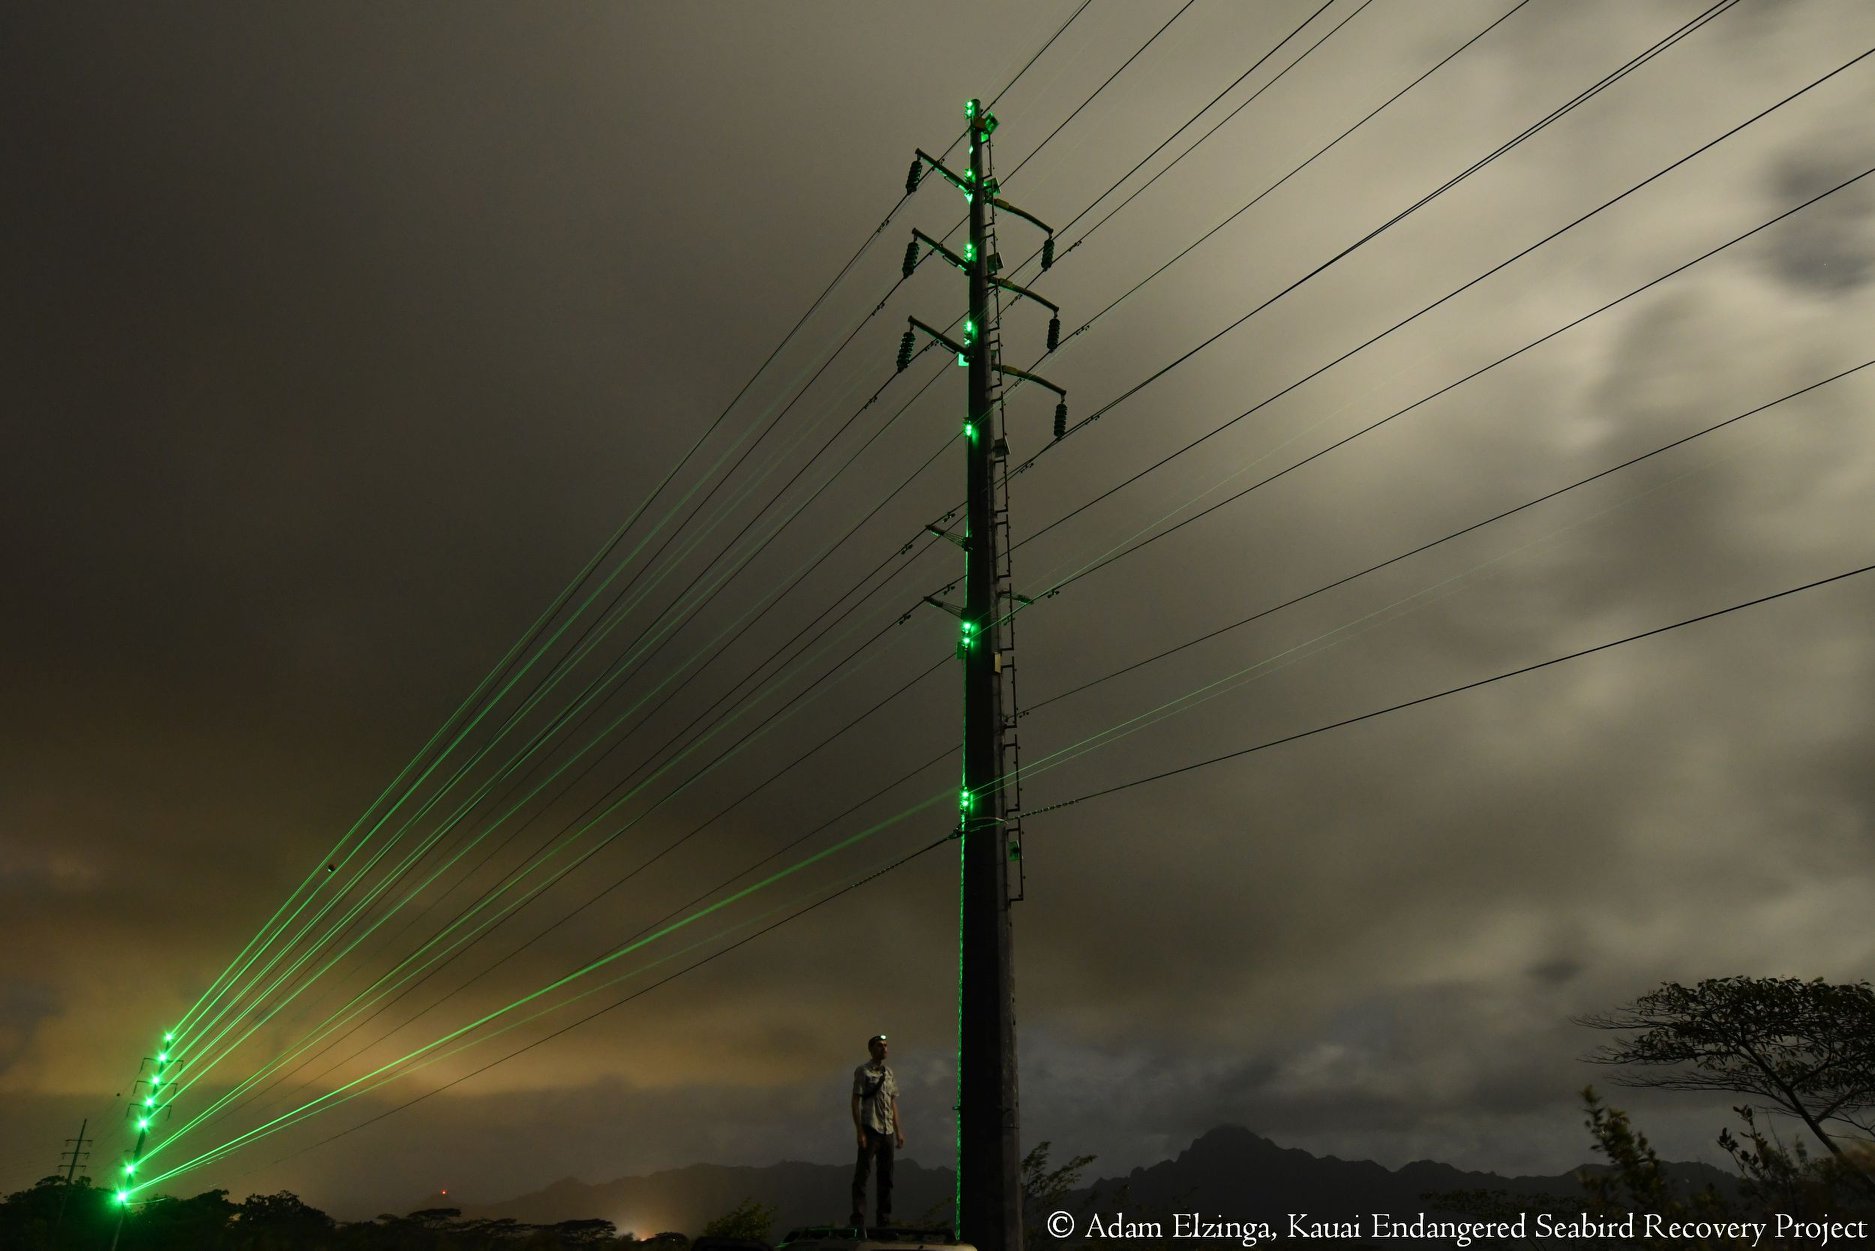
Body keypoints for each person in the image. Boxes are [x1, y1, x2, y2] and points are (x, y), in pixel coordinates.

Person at [849, 1033, 903, 1227]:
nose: (884, 1049)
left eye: (886, 1045)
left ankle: (884, 1220)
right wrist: (859, 1131)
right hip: (870, 1128)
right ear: (871, 1049)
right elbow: (855, 1101)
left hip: (887, 1130)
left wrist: (898, 1131)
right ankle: (858, 1219)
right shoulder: (862, 1071)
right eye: (880, 1045)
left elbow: (892, 1102)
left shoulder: (889, 1073)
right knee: (862, 1175)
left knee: (886, 1177)